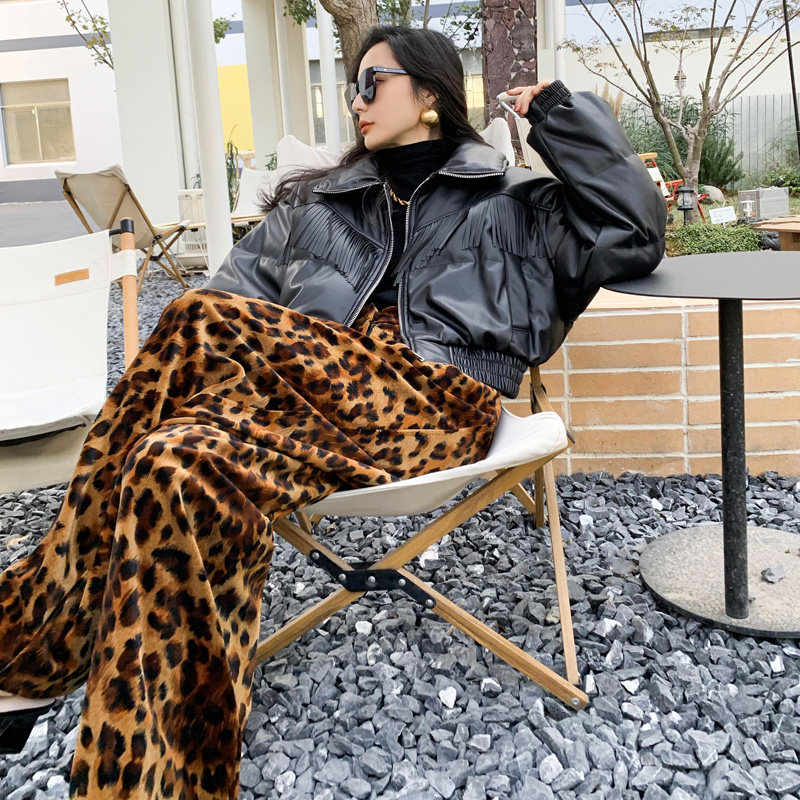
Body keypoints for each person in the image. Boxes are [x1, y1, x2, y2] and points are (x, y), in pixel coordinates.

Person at [0, 23, 665, 800]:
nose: (356, 100)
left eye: (372, 83)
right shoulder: (315, 205)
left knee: (191, 319)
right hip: (315, 413)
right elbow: (230, 305)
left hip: (434, 404)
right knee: (169, 460)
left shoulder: (514, 202)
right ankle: (164, 773)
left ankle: (34, 632)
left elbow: (635, 230)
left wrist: (556, 112)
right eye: (353, 86)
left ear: (429, 94)